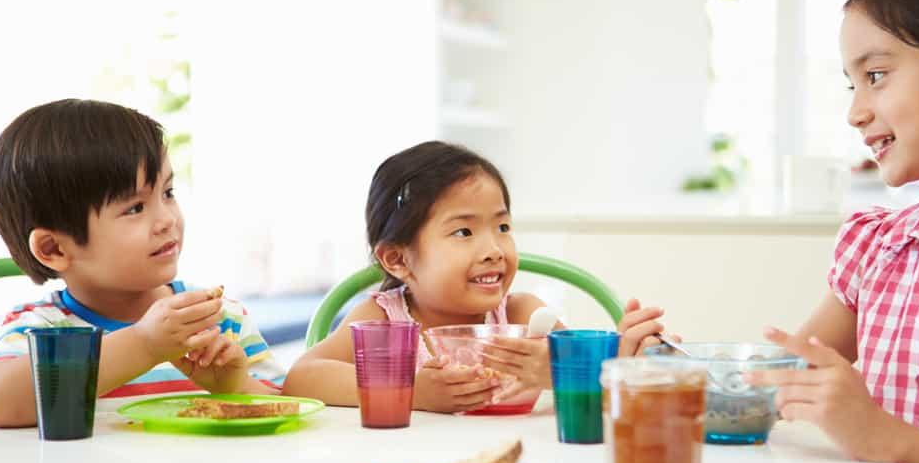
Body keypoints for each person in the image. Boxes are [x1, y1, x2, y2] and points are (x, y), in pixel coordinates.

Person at [747, 0, 919, 463]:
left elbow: (877, 436)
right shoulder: (877, 248)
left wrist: (887, 438)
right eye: (852, 84)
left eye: (877, 75)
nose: (855, 111)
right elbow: (767, 386)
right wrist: (636, 367)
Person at [284, 141, 666, 413]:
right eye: (464, 232)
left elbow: (603, 397)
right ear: (398, 259)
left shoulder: (523, 317)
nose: (494, 249)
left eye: (502, 226)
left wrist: (567, 372)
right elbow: (300, 379)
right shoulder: (383, 322)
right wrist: (411, 391)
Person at [0, 99, 284, 428]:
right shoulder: (42, 330)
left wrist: (236, 387)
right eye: (134, 208)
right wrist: (144, 343)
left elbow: (288, 412)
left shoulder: (218, 320)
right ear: (54, 248)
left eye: (168, 193)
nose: (167, 220)